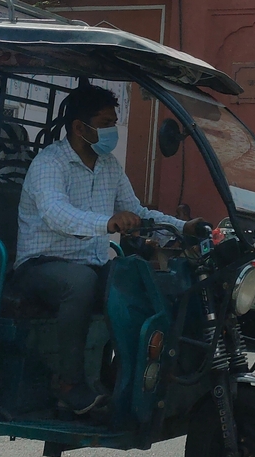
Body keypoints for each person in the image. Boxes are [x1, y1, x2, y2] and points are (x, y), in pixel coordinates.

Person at [14, 81, 204, 417]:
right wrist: (108, 223)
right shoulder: (50, 164)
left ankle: (128, 376)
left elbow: (138, 211)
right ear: (79, 128)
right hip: (40, 265)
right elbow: (57, 214)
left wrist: (182, 227)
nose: (112, 131)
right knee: (81, 283)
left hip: (91, 263)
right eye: (105, 123)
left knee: (138, 279)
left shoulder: (109, 165)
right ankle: (68, 383)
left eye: (114, 123)